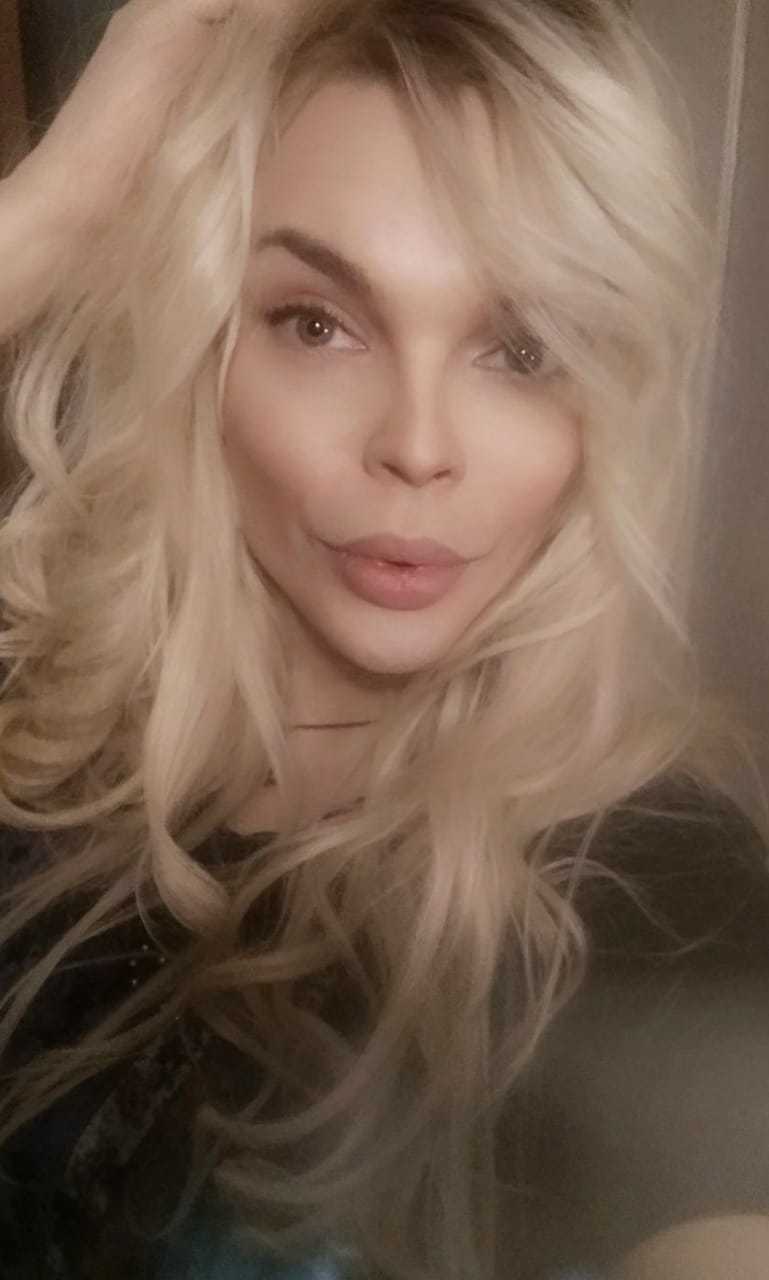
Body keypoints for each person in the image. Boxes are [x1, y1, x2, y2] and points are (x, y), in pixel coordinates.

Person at [0, 1, 768, 1277]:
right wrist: (58, 211)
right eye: (316, 322)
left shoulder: (661, 896)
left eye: (519, 347)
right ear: (203, 340)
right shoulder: (39, 735)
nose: (417, 444)